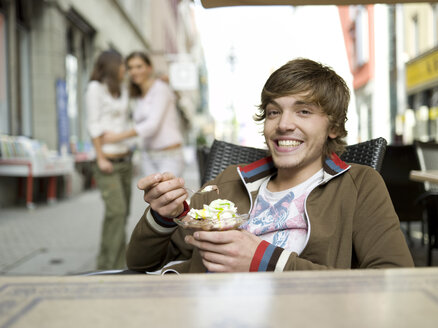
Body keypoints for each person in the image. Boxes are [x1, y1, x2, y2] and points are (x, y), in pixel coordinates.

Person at [126, 58, 414, 274]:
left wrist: (265, 261)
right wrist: (164, 216)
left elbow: (392, 279)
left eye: (304, 111)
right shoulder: (229, 182)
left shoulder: (359, 185)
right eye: (274, 112)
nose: (283, 125)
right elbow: (140, 262)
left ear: (334, 127)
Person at [102, 51, 185, 177]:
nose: (134, 71)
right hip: (148, 156)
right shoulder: (138, 96)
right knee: (151, 196)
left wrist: (117, 137)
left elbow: (152, 125)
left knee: (167, 194)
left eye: (139, 66)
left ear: (149, 68)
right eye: (130, 68)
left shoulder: (161, 88)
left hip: (169, 155)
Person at [86, 50, 132, 270]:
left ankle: (117, 263)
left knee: (120, 215)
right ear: (113, 66)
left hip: (125, 161)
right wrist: (100, 157)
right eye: (123, 65)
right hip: (108, 163)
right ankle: (105, 267)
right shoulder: (95, 89)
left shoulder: (121, 89)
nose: (125, 69)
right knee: (117, 212)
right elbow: (93, 124)